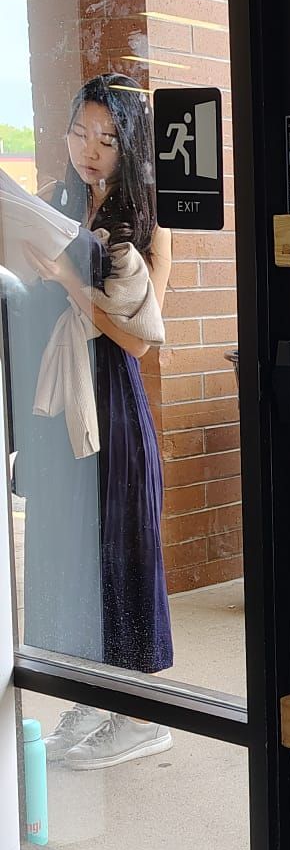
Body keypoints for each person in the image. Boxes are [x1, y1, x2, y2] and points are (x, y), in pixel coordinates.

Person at [10, 74, 175, 767]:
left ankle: (139, 715)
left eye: (107, 138)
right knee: (64, 550)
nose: (89, 149)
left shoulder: (149, 222)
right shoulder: (54, 202)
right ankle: (90, 695)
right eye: (80, 131)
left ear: (129, 145)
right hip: (57, 396)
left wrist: (70, 280)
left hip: (109, 399)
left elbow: (139, 338)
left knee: (117, 544)